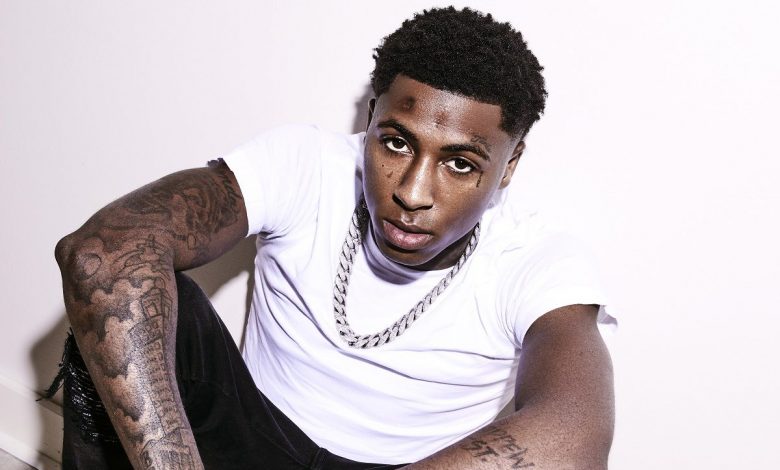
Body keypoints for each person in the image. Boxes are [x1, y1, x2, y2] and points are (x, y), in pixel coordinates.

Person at [52, 6, 616, 470]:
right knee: (128, 297)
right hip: (244, 436)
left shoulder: (536, 258)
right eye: (396, 143)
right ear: (371, 120)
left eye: (460, 164)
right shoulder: (306, 164)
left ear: (509, 165)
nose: (412, 192)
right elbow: (101, 256)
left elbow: (574, 439)